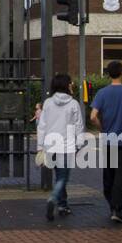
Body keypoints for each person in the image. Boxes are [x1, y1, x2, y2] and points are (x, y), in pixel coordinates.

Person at [90, 61, 122, 224]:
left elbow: (93, 116)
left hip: (109, 140)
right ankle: (117, 208)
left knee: (110, 174)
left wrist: (102, 128)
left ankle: (112, 203)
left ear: (108, 74)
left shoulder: (101, 93)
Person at [37, 73, 84, 222]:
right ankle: (53, 198)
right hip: (66, 146)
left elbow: (42, 126)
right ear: (66, 85)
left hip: (50, 145)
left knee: (59, 177)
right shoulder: (73, 104)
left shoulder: (48, 103)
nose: (72, 85)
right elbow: (79, 126)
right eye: (70, 83)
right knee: (63, 177)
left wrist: (40, 145)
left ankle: (63, 205)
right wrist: (79, 143)